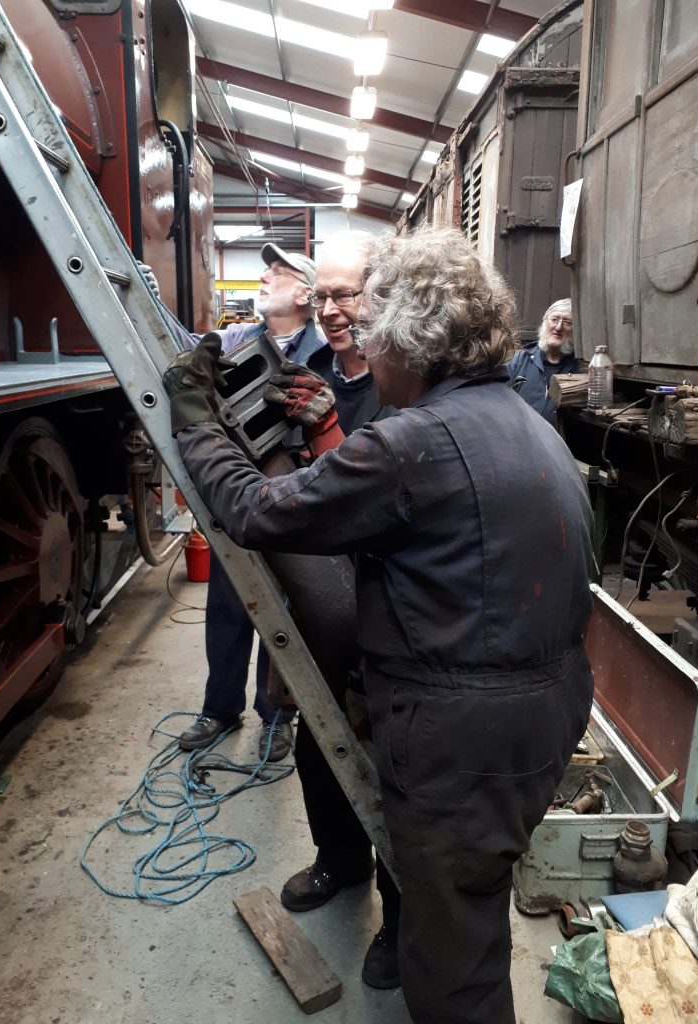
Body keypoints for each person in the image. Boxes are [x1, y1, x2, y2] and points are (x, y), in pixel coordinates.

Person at [164, 226, 595, 1024]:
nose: (360, 345)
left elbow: (259, 513)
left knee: (451, 964)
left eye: (369, 334)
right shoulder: (524, 420)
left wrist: (195, 424)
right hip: (541, 713)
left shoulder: (415, 442)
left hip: (465, 738)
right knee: (469, 905)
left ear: (406, 344)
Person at [269, 231, 400, 990]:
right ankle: (340, 863)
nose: (332, 309)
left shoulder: (401, 379)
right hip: (321, 593)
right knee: (317, 742)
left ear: (379, 296)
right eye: (321, 295)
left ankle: (399, 917)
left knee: (390, 762)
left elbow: (381, 494)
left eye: (346, 294)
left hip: (388, 600)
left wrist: (327, 433)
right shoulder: (307, 371)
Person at [173, 244, 325, 761]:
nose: (265, 276)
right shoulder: (237, 339)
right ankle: (219, 708)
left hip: (291, 503)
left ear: (308, 293)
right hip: (234, 496)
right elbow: (182, 351)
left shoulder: (323, 353)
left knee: (283, 609)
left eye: (279, 272)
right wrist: (148, 293)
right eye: (266, 269)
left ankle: (277, 714)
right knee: (227, 606)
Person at [506, 298, 578, 425]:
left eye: (567, 322)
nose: (559, 327)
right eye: (554, 319)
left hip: (556, 443)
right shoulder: (520, 360)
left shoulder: (577, 368)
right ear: (544, 323)